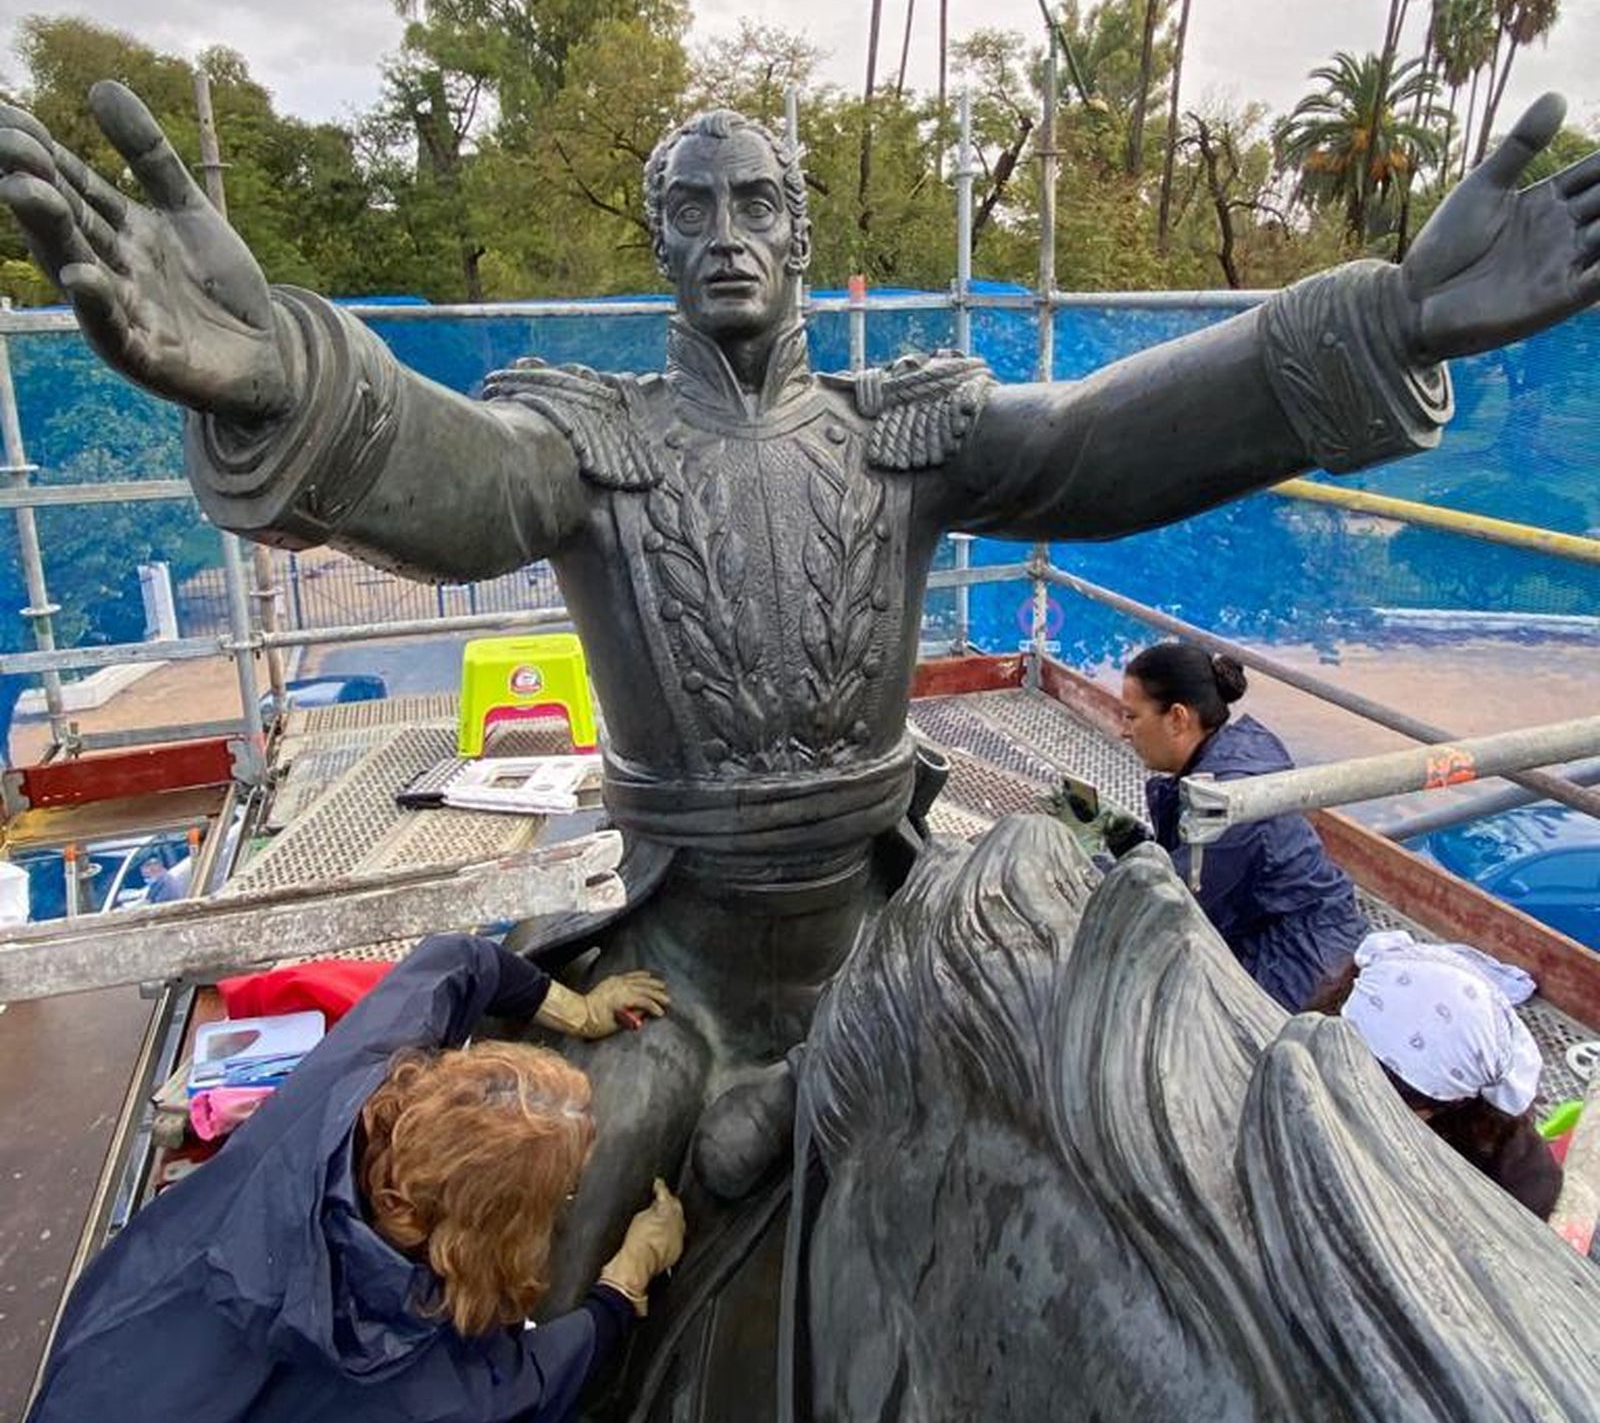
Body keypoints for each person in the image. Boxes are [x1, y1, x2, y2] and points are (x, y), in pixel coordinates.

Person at [1, 86, 1597, 1302]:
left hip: (897, 935)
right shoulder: (585, 441)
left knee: (1140, 1186)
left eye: (756, 197)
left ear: (802, 231)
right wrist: (290, 371)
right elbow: (453, 480)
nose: (726, 228)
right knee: (525, 1249)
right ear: (660, 243)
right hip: (675, 976)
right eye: (690, 206)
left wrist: (1389, 316)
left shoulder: (902, 429)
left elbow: (1110, 443)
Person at [0, 934, 683, 1423]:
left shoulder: (357, 1078)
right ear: (491, 1230)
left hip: (121, 1358)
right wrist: (625, 1278)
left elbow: (454, 960)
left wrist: (575, 1010)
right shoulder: (413, 1356)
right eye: (562, 1194)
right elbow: (523, 1385)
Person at [1120, 641, 1365, 1009]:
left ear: (1177, 718)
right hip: (1283, 934)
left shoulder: (1230, 801)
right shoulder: (1223, 758)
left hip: (1305, 963)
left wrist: (1090, 871)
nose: (1124, 731)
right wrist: (1121, 839)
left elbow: (1169, 907)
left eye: (1132, 717)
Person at [1313, 928, 1561, 1218]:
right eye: (1350, 1069)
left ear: (1453, 1103)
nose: (1358, 1098)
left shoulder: (1518, 1178)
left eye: (1390, 1098)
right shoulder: (1314, 1047)